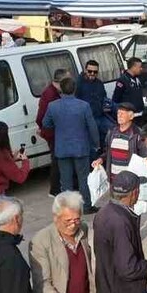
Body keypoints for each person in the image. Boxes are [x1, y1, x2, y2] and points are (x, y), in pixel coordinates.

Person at [43, 77, 100, 207]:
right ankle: (86, 206)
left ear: (61, 89)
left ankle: (69, 207)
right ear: (74, 89)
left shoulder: (53, 106)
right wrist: (96, 144)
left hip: (62, 148)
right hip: (80, 147)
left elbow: (46, 123)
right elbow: (92, 126)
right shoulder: (83, 105)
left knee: (66, 181)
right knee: (83, 179)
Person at [97, 104, 147, 180]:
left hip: (130, 180)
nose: (119, 116)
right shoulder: (112, 132)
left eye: (122, 113)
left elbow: (145, 156)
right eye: (118, 113)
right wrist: (101, 159)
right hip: (113, 178)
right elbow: (107, 151)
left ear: (131, 116)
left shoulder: (137, 134)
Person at [75, 60, 111, 136]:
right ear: (85, 70)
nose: (92, 73)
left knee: (112, 132)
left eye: (95, 72)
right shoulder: (78, 84)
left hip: (101, 117)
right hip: (87, 120)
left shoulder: (99, 83)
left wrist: (106, 105)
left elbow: (104, 97)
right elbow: (75, 102)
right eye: (90, 71)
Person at [36, 69, 66, 146]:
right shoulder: (50, 95)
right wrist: (45, 132)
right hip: (55, 135)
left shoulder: (58, 92)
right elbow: (40, 117)